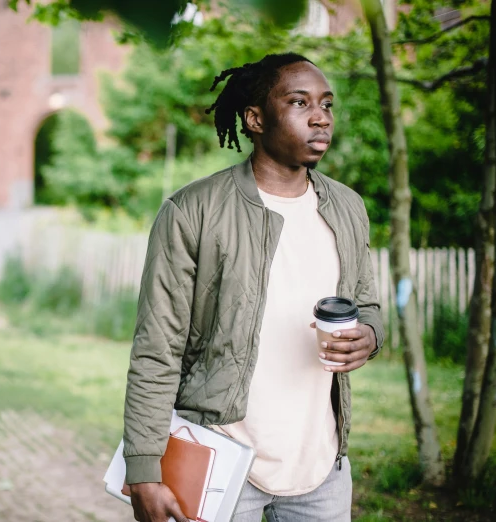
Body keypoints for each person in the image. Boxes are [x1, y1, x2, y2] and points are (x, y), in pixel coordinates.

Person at [123, 53, 385, 522]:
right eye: (300, 102)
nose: (321, 116)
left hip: (321, 466)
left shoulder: (347, 207)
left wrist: (370, 335)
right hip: (219, 460)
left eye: (327, 104)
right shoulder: (193, 211)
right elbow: (156, 348)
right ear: (256, 118)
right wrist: (143, 468)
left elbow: (366, 305)